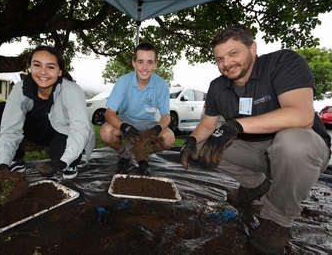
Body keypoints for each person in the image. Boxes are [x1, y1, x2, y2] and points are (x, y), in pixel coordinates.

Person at [180, 25, 331, 255]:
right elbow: (208, 125)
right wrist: (190, 141)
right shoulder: (218, 86)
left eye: (233, 53)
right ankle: (255, 184)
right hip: (254, 150)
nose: (226, 63)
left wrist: (236, 125)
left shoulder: (283, 62)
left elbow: (302, 115)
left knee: (293, 142)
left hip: (302, 150)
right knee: (201, 146)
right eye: (219, 58)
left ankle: (278, 220)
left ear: (252, 48)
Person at [0, 45, 95, 185]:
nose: (43, 72)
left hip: (64, 132)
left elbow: (80, 129)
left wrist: (63, 162)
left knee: (60, 154)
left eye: (50, 67)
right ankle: (15, 161)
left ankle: (68, 163)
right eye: (37, 65)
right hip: (38, 130)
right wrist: (2, 164)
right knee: (0, 110)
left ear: (59, 72)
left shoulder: (71, 90)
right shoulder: (20, 89)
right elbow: (10, 128)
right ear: (30, 67)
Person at [100, 42, 175, 175]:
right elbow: (109, 113)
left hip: (148, 122)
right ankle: (125, 155)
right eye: (140, 62)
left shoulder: (162, 85)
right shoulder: (123, 81)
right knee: (106, 132)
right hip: (125, 119)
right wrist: (124, 127)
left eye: (150, 62)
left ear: (156, 64)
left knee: (169, 138)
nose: (145, 67)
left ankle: (141, 156)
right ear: (133, 62)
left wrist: (156, 129)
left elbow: (166, 116)